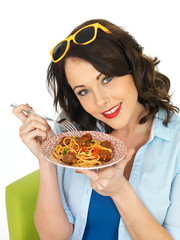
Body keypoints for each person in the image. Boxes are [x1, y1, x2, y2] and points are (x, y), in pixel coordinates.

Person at [12, 19, 180, 240]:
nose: (100, 101)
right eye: (83, 91)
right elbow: (53, 237)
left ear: (132, 67)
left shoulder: (175, 143)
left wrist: (120, 191)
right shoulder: (73, 133)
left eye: (107, 79)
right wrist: (47, 158)